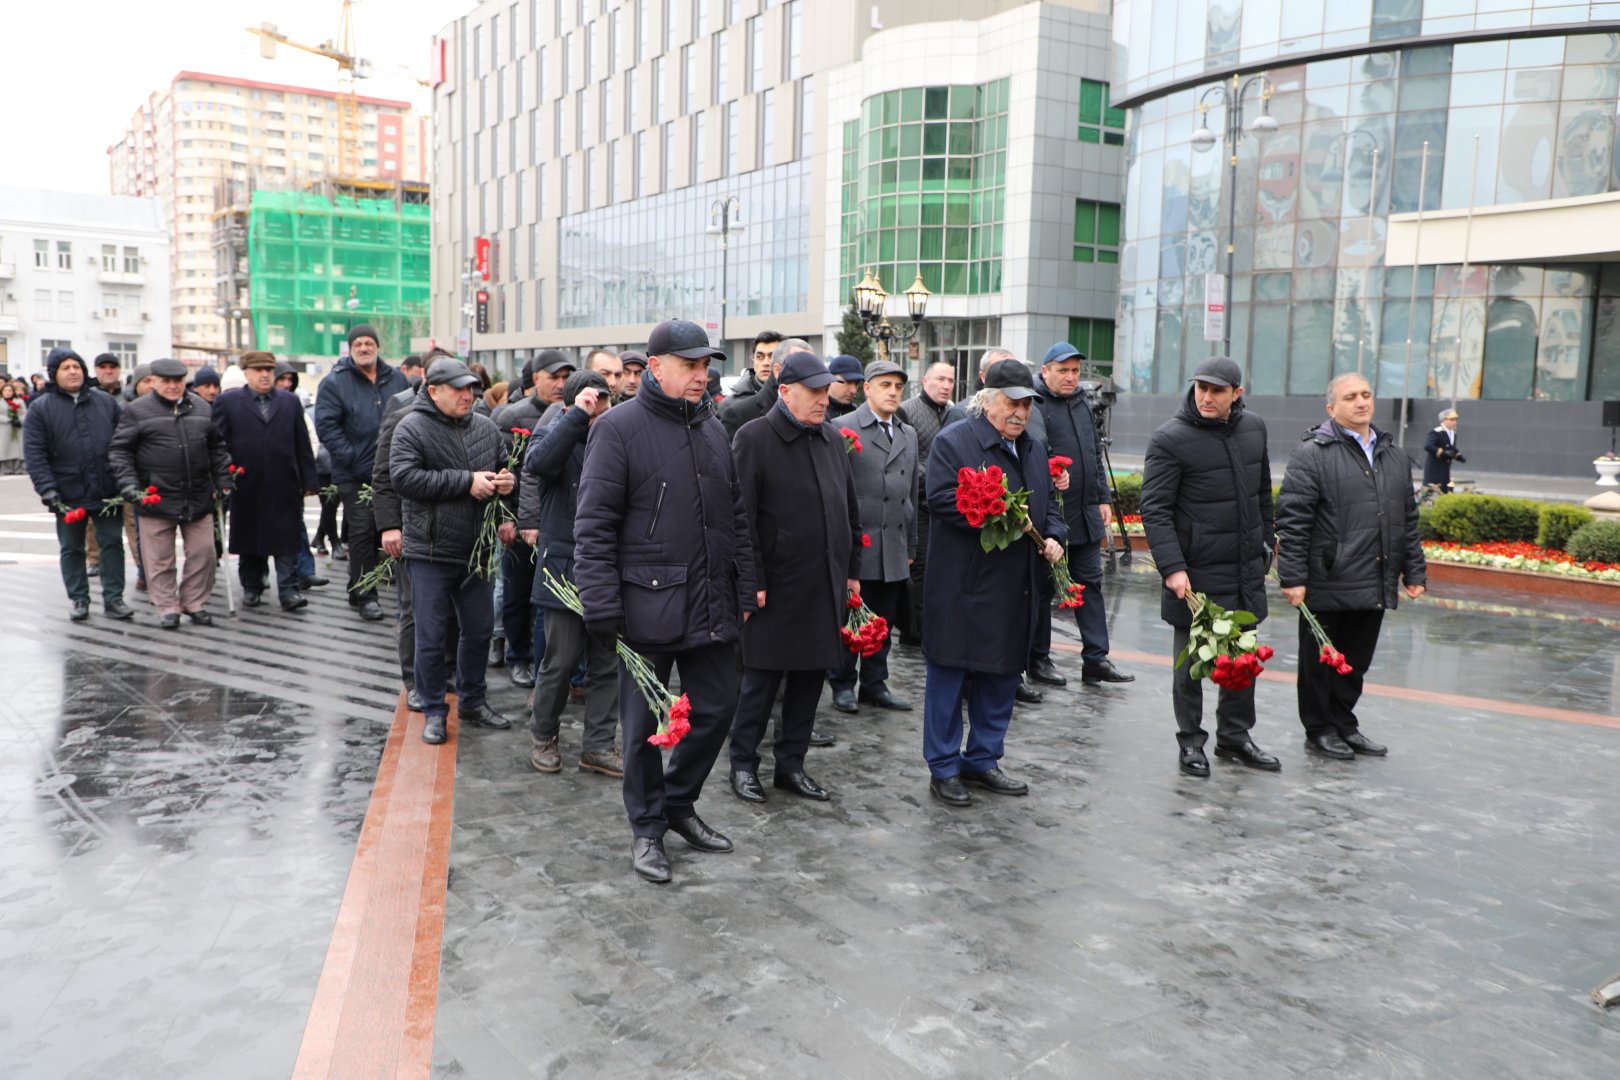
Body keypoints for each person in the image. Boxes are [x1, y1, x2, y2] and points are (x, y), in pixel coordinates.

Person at [574, 317, 758, 885]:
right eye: (690, 365)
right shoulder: (618, 428)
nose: (702, 376)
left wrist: (746, 582)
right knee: (645, 729)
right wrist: (600, 603)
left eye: (706, 366)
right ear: (654, 368)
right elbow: (594, 523)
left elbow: (736, 517)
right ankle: (648, 828)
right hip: (645, 605)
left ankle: (679, 803)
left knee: (718, 708)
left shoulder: (712, 428)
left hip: (711, 601)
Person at [921, 359, 1067, 806]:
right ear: (987, 402)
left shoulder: (1034, 448)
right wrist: (998, 512)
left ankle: (983, 759)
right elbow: (940, 498)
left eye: (1026, 404)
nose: (1020, 412)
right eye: (1011, 402)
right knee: (950, 675)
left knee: (1002, 676)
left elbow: (1048, 504)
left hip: (1015, 586)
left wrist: (1056, 535)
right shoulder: (955, 442)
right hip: (964, 585)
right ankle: (944, 766)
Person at [728, 352, 861, 805]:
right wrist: (752, 580)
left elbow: (848, 509)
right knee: (760, 684)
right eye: (815, 392)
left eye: (827, 391)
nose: (825, 400)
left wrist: (852, 573)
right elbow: (739, 518)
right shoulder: (754, 438)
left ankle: (792, 764)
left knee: (809, 681)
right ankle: (743, 763)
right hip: (775, 586)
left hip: (824, 581)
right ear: (785, 392)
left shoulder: (831, 438)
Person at [1140, 356, 1280, 777]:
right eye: (1201, 387)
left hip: (1243, 569)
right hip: (1194, 576)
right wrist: (1173, 568)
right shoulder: (1170, 438)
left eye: (1217, 390)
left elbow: (1261, 492)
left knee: (1242, 659)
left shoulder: (1254, 428)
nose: (1206, 396)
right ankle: (1191, 743)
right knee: (1191, 665)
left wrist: (1267, 542)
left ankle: (1235, 739)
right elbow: (1156, 509)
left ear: (1237, 394)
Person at [1276, 373, 1427, 760]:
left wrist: (1414, 571)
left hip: (1374, 576)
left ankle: (1344, 724)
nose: (1361, 402)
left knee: (1356, 661)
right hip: (1327, 578)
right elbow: (1293, 521)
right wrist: (1293, 578)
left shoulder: (1392, 455)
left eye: (1366, 394)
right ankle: (1319, 729)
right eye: (1350, 397)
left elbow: (1407, 518)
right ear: (1332, 408)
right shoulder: (1312, 452)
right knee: (1319, 663)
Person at [390, 358, 516, 745]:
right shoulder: (411, 426)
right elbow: (404, 478)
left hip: (475, 551)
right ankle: (433, 710)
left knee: (478, 631)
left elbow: (502, 467)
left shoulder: (486, 426)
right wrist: (465, 482)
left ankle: (474, 701)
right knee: (430, 636)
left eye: (471, 388)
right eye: (459, 389)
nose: (468, 395)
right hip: (429, 550)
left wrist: (508, 484)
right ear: (433, 391)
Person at [524, 369, 623, 777]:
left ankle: (597, 746)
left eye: (604, 404)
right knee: (560, 661)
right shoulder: (555, 438)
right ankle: (543, 735)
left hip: (609, 570)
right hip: (565, 570)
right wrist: (576, 416)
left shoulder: (619, 442)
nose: (599, 412)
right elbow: (539, 465)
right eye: (590, 403)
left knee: (607, 664)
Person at [1030, 342, 1134, 687]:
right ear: (1046, 371)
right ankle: (1038, 658)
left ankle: (1096, 658)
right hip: (1050, 518)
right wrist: (1050, 475)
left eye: (1075, 371)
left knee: (1090, 585)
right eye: (1063, 370)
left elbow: (1093, 452)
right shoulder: (1035, 405)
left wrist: (1102, 497)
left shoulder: (1082, 405)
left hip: (1085, 514)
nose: (1071, 377)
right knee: (1044, 590)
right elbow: (1030, 457)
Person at [108, 358, 233, 629]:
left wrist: (223, 479)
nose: (173, 386)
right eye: (167, 381)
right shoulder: (137, 410)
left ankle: (194, 602)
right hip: (155, 496)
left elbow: (217, 448)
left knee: (204, 553)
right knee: (159, 559)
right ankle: (167, 607)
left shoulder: (201, 407)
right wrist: (130, 485)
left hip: (198, 494)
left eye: (178, 381)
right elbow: (120, 451)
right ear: (155, 382)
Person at [828, 358, 917, 714]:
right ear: (867, 388)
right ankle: (842, 682)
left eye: (898, 386)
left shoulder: (907, 433)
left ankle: (875, 683)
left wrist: (910, 546)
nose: (893, 392)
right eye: (885, 385)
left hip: (893, 544)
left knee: (884, 619)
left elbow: (910, 493)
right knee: (851, 618)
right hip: (859, 544)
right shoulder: (841, 427)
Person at [25, 348, 132, 621]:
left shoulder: (105, 403)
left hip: (107, 489)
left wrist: (123, 478)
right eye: (65, 367)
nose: (73, 371)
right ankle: (79, 598)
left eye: (77, 366)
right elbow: (35, 453)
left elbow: (122, 443)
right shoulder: (41, 408)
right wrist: (47, 488)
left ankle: (114, 598)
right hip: (66, 492)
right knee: (72, 547)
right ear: (54, 374)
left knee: (111, 543)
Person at [314, 324, 410, 622]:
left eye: (369, 342)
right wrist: (352, 457)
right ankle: (367, 595)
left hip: (393, 469)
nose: (364, 347)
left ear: (377, 346)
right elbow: (327, 426)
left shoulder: (397, 378)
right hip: (354, 473)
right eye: (358, 343)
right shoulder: (334, 382)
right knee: (363, 532)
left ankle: (358, 588)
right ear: (350, 348)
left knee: (389, 531)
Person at [212, 352, 319, 613]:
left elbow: (301, 443)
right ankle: (252, 586)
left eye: (269, 370)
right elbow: (218, 444)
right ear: (246, 373)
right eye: (258, 370)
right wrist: (222, 477)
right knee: (249, 538)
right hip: (246, 484)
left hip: (284, 483)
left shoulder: (290, 401)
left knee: (287, 539)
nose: (264, 375)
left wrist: (309, 480)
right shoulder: (228, 402)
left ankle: (288, 590)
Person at [898, 360, 966, 644]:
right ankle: (916, 631)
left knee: (943, 569)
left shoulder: (956, 413)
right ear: (925, 381)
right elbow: (905, 459)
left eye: (950, 381)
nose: (946, 385)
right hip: (919, 503)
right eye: (940, 379)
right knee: (920, 568)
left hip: (948, 505)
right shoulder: (908, 410)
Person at [718, 330, 783, 438]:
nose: (766, 363)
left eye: (772, 356)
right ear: (753, 359)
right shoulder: (730, 405)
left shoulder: (795, 400)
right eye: (760, 357)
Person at [1423, 408, 1464, 493]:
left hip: (1445, 469)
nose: (1455, 422)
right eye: (1452, 420)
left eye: (1455, 420)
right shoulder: (1437, 432)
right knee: (1432, 492)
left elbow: (1451, 447)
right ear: (1444, 420)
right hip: (1434, 469)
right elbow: (1428, 446)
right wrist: (1442, 453)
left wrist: (1458, 455)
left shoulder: (1453, 434)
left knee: (1444, 491)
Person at [825, 354, 865, 420]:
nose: (854, 390)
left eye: (856, 383)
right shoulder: (815, 414)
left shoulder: (858, 417)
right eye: (848, 382)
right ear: (830, 378)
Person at [0, 380, 26, 474]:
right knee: (5, 448)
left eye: (10, 390)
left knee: (18, 448)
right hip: (4, 428)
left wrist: (19, 419)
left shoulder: (19, 401)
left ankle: (19, 467)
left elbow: (24, 413)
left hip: (17, 428)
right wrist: (8, 419)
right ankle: (6, 468)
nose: (7, 393)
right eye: (5, 390)